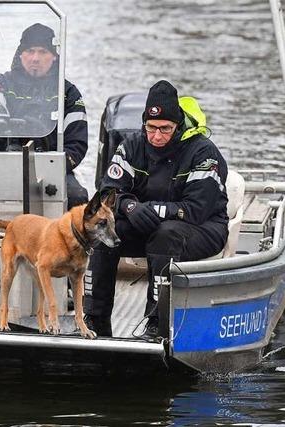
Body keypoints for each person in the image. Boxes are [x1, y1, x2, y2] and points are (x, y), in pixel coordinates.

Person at [83, 80, 229, 339]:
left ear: (178, 125)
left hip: (202, 228)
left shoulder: (204, 153)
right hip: (145, 221)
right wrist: (128, 206)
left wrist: (150, 209)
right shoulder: (131, 145)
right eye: (151, 128)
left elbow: (196, 210)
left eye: (165, 129)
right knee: (101, 231)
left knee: (166, 234)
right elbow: (108, 192)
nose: (157, 136)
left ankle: (156, 322)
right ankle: (95, 318)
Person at [0, 23, 89, 210]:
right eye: (30, 51)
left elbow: (77, 145)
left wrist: (50, 166)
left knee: (78, 196)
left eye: (43, 51)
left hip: (52, 169)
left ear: (54, 56)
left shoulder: (68, 93)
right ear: (20, 54)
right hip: (4, 164)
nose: (35, 58)